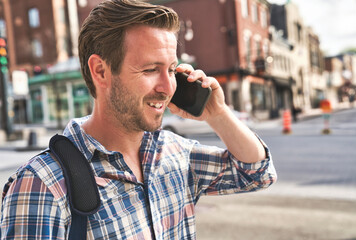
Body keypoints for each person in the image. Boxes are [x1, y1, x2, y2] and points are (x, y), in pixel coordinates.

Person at [0, 0, 277, 239]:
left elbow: (256, 173)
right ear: (100, 71)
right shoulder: (41, 185)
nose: (168, 87)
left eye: (171, 69)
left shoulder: (174, 154)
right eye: (150, 70)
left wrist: (218, 114)